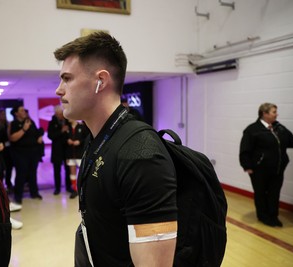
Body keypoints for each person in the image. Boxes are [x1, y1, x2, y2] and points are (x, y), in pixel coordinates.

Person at [54, 31, 177, 266]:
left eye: (67, 78)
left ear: (101, 80)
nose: (59, 90)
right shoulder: (97, 137)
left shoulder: (142, 155)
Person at [240, 103, 293, 227]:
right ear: (264, 114)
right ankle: (263, 216)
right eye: (274, 112)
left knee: (274, 193)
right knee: (261, 193)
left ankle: (273, 216)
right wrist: (247, 166)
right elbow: (245, 150)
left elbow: (291, 141)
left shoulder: (279, 127)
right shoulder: (252, 130)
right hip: (259, 170)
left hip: (277, 169)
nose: (277, 114)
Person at [9, 105, 44, 203]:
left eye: (24, 110)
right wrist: (24, 129)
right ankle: (18, 196)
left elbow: (37, 132)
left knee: (33, 173)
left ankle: (34, 192)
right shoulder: (14, 124)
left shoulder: (30, 122)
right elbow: (12, 138)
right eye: (21, 110)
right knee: (21, 174)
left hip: (33, 153)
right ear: (16, 113)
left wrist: (40, 136)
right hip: (20, 154)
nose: (24, 111)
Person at [47, 105, 73, 195]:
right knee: (56, 170)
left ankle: (69, 187)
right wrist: (61, 131)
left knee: (68, 169)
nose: (61, 115)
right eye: (59, 114)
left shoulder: (67, 121)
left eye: (62, 113)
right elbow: (50, 136)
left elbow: (71, 133)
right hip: (57, 150)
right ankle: (57, 188)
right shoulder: (52, 122)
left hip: (67, 150)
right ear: (56, 114)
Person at [0, 108, 14, 191]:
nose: (3, 116)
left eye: (4, 114)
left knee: (10, 167)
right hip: (2, 150)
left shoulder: (8, 124)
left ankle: (9, 183)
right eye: (2, 114)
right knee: (2, 168)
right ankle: (1, 185)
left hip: (9, 149)